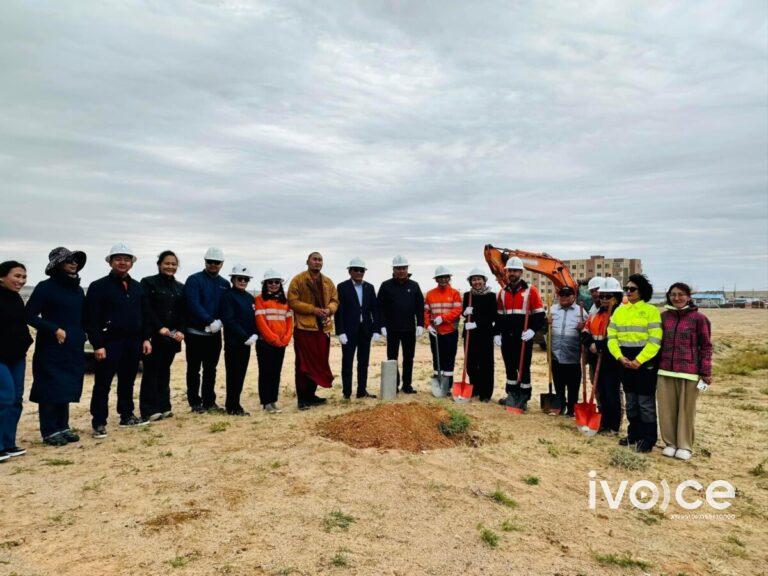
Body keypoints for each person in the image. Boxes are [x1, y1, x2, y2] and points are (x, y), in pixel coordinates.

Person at [85, 243, 152, 438]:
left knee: (128, 380)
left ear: (132, 263)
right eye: (118, 259)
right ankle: (98, 422)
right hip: (109, 343)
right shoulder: (98, 287)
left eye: (127, 259)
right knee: (103, 384)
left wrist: (146, 338)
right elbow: (91, 319)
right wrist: (97, 344)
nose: (123, 262)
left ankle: (127, 415)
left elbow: (145, 315)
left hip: (133, 342)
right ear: (110, 262)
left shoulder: (138, 287)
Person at [26, 247, 87, 446]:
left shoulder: (77, 289)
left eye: (75, 260)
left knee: (67, 385)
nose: (73, 263)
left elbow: (83, 316)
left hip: (73, 345)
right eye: (68, 260)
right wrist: (53, 329)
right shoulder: (45, 287)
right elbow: (29, 315)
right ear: (57, 264)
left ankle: (63, 426)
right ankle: (49, 430)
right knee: (50, 385)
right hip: (51, 345)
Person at [656, 282, 712, 461]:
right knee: (666, 410)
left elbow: (706, 346)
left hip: (689, 372)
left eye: (681, 294)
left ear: (688, 296)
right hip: (665, 371)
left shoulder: (699, 319)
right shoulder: (664, 317)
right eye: (673, 294)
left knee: (686, 410)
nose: (677, 298)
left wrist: (705, 371)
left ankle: (685, 445)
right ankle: (670, 443)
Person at [607, 273, 662, 453]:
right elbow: (612, 337)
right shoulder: (619, 311)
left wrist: (639, 360)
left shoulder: (651, 311)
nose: (628, 292)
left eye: (632, 289)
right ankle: (634, 434)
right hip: (624, 360)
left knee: (645, 402)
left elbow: (655, 341)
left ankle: (648, 438)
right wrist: (619, 357)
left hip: (644, 363)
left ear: (642, 291)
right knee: (631, 401)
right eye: (626, 289)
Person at [287, 252, 339, 410]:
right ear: (307, 261)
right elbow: (292, 301)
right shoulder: (298, 280)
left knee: (319, 362)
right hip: (305, 327)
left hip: (322, 328)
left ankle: (311, 395)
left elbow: (335, 300)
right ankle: (302, 399)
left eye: (320, 260)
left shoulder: (328, 282)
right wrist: (313, 310)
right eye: (314, 259)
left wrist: (329, 310)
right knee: (303, 364)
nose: (317, 262)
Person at [139, 250, 185, 421]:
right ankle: (149, 409)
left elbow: (183, 312)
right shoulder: (148, 283)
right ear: (159, 264)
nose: (170, 266)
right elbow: (147, 309)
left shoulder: (180, 287)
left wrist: (181, 330)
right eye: (167, 263)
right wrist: (159, 328)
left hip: (172, 337)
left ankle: (164, 406)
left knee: (165, 370)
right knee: (151, 370)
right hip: (154, 336)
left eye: (173, 264)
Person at [495, 257, 545, 410]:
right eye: (510, 270)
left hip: (523, 337)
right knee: (509, 366)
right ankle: (512, 393)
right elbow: (499, 317)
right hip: (507, 337)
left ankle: (524, 395)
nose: (512, 273)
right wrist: (497, 333)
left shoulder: (531, 291)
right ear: (506, 272)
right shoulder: (502, 293)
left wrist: (532, 330)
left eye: (515, 271)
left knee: (523, 367)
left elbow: (539, 314)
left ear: (521, 272)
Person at [184, 247, 230, 413]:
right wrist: (209, 320)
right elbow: (192, 303)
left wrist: (220, 322)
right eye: (210, 261)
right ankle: (195, 402)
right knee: (194, 369)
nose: (213, 265)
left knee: (211, 369)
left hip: (214, 335)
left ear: (222, 264)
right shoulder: (194, 280)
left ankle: (209, 402)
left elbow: (227, 307)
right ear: (205, 261)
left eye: (216, 262)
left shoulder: (225, 284)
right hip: (195, 333)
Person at [334, 258, 381, 400]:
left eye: (362, 270)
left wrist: (376, 329)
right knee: (347, 362)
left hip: (365, 331)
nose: (359, 272)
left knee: (363, 362)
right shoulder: (342, 287)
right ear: (350, 271)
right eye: (356, 270)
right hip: (348, 332)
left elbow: (375, 310)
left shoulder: (370, 287)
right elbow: (339, 311)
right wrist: (340, 331)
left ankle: (361, 391)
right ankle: (346, 393)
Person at [0, 261, 33, 461]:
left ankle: (8, 443)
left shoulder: (16, 298)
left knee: (16, 400)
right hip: (0, 358)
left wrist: (26, 342)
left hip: (17, 356)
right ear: (2, 277)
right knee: (5, 397)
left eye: (23, 277)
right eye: (17, 276)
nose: (21, 281)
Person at [581, 278, 623, 434]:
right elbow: (585, 331)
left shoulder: (619, 314)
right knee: (601, 394)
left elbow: (617, 337)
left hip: (611, 362)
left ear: (617, 297)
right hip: (595, 359)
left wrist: (600, 346)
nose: (604, 299)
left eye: (608, 296)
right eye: (602, 296)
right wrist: (590, 343)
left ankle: (613, 426)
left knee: (612, 394)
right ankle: (603, 422)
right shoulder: (597, 313)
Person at [377, 255, 424, 394]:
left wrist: (420, 323)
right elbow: (379, 308)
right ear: (394, 269)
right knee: (392, 358)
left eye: (403, 268)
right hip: (392, 329)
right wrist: (382, 325)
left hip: (409, 329)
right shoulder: (386, 286)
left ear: (407, 269)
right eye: (398, 268)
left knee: (409, 357)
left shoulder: (414, 286)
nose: (401, 271)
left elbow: (419, 307)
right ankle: (393, 385)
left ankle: (407, 385)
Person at [220, 264, 258, 416]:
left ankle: (236, 403)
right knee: (233, 374)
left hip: (247, 343)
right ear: (233, 279)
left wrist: (255, 333)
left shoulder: (249, 298)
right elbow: (229, 320)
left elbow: (254, 319)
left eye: (245, 279)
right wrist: (245, 336)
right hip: (234, 342)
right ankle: (232, 406)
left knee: (241, 373)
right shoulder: (228, 296)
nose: (242, 281)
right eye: (239, 278)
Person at [255, 269, 293, 413]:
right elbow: (261, 322)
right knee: (266, 372)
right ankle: (266, 403)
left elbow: (290, 321)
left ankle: (273, 401)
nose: (273, 284)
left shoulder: (285, 301)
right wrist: (274, 339)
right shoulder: (259, 299)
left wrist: (286, 338)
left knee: (276, 373)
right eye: (270, 282)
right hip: (265, 343)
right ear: (265, 283)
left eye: (276, 282)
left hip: (281, 344)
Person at [425, 266, 463, 395]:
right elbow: (425, 311)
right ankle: (438, 383)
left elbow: (458, 311)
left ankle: (448, 386)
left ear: (449, 278)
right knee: (437, 358)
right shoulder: (430, 294)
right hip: (435, 332)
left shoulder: (455, 293)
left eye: (445, 277)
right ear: (436, 279)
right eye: (440, 278)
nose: (443, 280)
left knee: (449, 359)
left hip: (450, 331)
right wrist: (427, 325)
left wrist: (443, 318)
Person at [548, 286, 585, 416]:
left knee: (573, 386)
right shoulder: (552, 310)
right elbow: (543, 331)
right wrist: (546, 323)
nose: (563, 297)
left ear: (573, 296)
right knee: (559, 384)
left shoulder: (581, 312)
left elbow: (587, 332)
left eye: (567, 294)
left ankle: (571, 409)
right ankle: (560, 406)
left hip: (573, 357)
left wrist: (583, 327)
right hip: (556, 355)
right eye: (561, 294)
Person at [461, 268, 496, 402]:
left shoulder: (491, 296)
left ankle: (485, 393)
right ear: (470, 282)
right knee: (471, 364)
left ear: (484, 280)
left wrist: (476, 323)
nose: (476, 282)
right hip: (470, 334)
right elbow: (464, 312)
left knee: (485, 364)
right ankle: (474, 388)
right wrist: (465, 312)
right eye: (474, 280)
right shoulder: (467, 296)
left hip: (485, 334)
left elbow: (492, 315)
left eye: (479, 279)